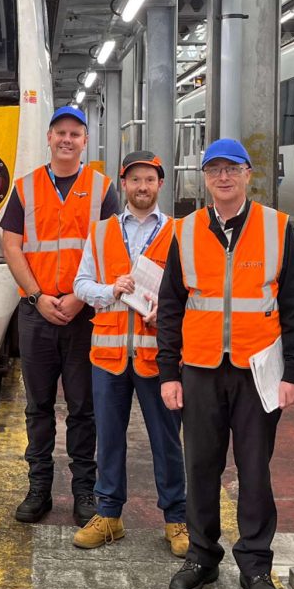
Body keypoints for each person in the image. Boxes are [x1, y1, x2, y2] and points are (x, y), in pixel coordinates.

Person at [157, 138, 294, 589]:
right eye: (214, 170)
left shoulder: (276, 227)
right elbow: (169, 307)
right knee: (200, 467)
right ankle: (202, 558)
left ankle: (255, 565)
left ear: (248, 175)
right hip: (201, 370)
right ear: (204, 179)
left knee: (254, 470)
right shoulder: (184, 232)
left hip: (256, 371)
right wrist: (169, 372)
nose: (223, 177)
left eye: (232, 169)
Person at [0, 105, 120, 525]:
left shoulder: (103, 189)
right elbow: (11, 246)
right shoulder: (25, 188)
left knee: (84, 408)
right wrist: (37, 297)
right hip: (36, 312)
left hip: (84, 314)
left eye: (75, 134)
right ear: (49, 139)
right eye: (60, 133)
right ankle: (39, 490)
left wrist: (78, 298)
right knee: (39, 405)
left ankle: (84, 491)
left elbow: (112, 251)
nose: (67, 140)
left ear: (85, 141)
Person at [72, 151, 187, 555]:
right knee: (109, 439)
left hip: (158, 358)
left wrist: (169, 312)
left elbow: (192, 292)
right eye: (135, 180)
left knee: (166, 440)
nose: (142, 187)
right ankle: (109, 516)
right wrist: (110, 290)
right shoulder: (101, 232)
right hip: (108, 357)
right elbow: (80, 284)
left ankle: (176, 520)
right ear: (124, 184)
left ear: (159, 185)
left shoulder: (178, 233)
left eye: (150, 180)